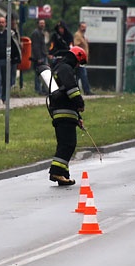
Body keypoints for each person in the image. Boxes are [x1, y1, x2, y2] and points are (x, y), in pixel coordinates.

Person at [46, 46, 87, 186]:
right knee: (68, 144)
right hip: (64, 112)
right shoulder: (65, 69)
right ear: (76, 58)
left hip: (62, 112)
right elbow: (72, 90)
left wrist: (78, 118)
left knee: (64, 144)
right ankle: (56, 172)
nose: (78, 66)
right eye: (79, 63)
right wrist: (80, 103)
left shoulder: (59, 68)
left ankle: (64, 174)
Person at [30, 19, 49, 95]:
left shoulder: (41, 32)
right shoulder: (36, 33)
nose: (42, 25)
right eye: (41, 23)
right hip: (40, 57)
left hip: (43, 55)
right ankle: (38, 90)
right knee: (39, 74)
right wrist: (38, 58)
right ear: (37, 24)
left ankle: (44, 89)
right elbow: (36, 46)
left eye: (43, 23)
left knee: (45, 73)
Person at [73, 21, 93, 95]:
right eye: (82, 27)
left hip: (82, 59)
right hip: (80, 59)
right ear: (79, 27)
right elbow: (76, 45)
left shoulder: (82, 36)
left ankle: (76, 90)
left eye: (85, 27)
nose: (84, 29)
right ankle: (87, 90)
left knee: (78, 76)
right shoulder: (78, 35)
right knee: (83, 75)